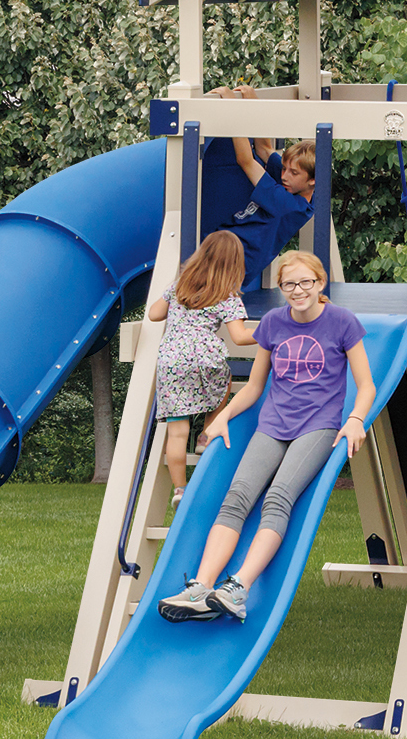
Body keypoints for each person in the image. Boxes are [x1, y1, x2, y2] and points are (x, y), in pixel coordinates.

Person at [159, 249, 373, 623]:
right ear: (281, 288)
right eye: (289, 284)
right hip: (273, 424)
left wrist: (355, 418)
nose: (298, 290)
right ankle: (201, 588)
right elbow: (256, 386)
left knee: (277, 497)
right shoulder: (274, 323)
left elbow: (366, 385)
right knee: (237, 497)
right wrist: (222, 416)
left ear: (320, 284)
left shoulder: (342, 322)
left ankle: (238, 588)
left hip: (318, 425)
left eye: (306, 282)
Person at [146, 232, 257, 506]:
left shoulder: (179, 286)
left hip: (172, 361)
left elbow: (154, 314)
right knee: (224, 383)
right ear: (235, 265)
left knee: (176, 431)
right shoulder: (227, 295)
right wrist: (273, 329)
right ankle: (206, 434)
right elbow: (241, 337)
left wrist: (174, 297)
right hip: (207, 359)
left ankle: (180, 490)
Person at [196, 84, 319, 293]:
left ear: (312, 181)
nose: (284, 175)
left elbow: (246, 160)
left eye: (293, 173)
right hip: (226, 247)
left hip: (231, 266)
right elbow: (264, 148)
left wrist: (233, 109)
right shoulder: (297, 185)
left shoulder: (289, 206)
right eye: (285, 168)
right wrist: (253, 105)